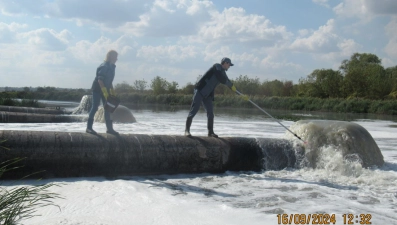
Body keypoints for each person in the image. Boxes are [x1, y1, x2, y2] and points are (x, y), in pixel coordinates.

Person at [184, 57, 248, 138]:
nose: (229, 67)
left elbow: (229, 84)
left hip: (208, 95)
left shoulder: (223, 73)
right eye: (229, 65)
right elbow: (220, 77)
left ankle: (210, 132)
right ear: (225, 63)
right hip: (200, 90)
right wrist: (228, 83)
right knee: (194, 110)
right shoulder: (217, 66)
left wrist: (241, 94)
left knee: (210, 113)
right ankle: (187, 130)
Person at [86, 50, 119, 135]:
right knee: (95, 107)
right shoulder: (104, 66)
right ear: (111, 56)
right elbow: (100, 80)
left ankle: (109, 129)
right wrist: (104, 91)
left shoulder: (112, 67)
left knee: (108, 108)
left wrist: (112, 90)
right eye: (115, 57)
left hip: (106, 89)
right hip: (97, 89)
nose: (117, 59)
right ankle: (89, 128)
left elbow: (109, 80)